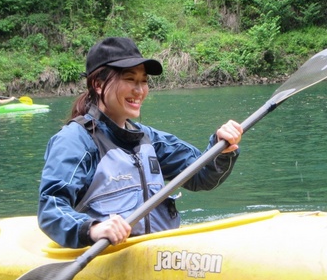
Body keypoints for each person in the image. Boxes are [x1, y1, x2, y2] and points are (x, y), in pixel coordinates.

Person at [38, 37, 243, 249]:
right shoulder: (75, 140)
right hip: (109, 259)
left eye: (144, 81)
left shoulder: (149, 139)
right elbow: (51, 207)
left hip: (163, 253)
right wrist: (92, 229)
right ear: (98, 85)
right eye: (129, 79)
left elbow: (202, 177)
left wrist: (221, 149)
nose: (139, 90)